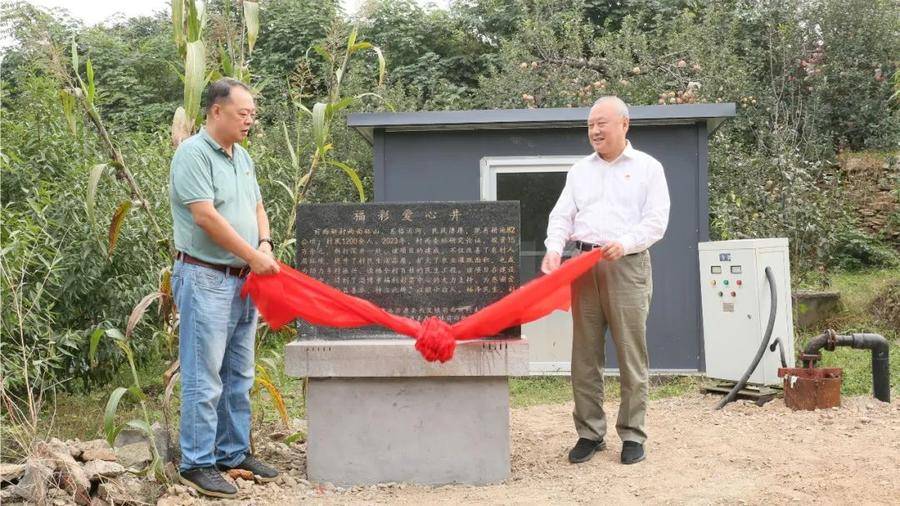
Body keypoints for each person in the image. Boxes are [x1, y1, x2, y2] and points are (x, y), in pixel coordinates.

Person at [542, 96, 670, 465]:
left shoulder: (648, 168)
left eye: (602, 123)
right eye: (590, 125)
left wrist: (625, 243)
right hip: (582, 265)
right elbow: (561, 215)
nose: (595, 131)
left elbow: (656, 221)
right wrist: (554, 249)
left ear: (624, 124)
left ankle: (632, 434)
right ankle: (589, 432)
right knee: (584, 355)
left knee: (631, 353)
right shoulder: (579, 170)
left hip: (626, 265)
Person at [169, 78, 281, 497]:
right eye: (243, 113)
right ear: (217, 111)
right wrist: (253, 257)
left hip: (243, 280)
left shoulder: (242, 157)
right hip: (205, 278)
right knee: (204, 374)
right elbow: (206, 217)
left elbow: (256, 206)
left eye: (252, 113)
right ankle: (197, 462)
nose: (250, 120)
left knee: (239, 373)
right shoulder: (193, 154)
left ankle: (232, 453)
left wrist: (264, 244)